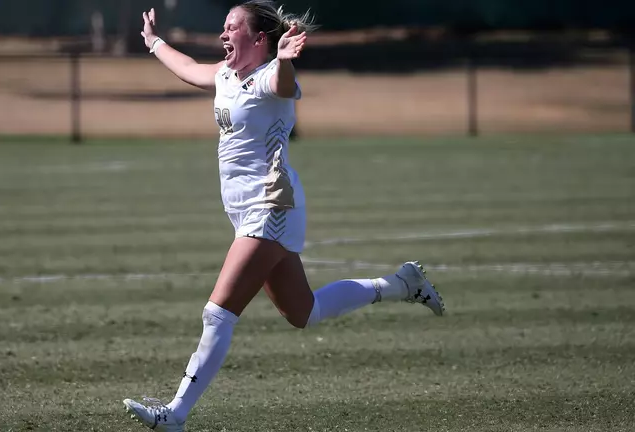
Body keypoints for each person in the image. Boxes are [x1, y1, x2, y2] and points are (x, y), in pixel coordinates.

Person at [124, 1, 445, 430]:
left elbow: (281, 83)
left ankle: (175, 414)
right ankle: (402, 284)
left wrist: (285, 60)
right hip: (245, 213)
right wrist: (153, 41)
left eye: (232, 28)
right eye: (223, 27)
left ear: (259, 39)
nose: (222, 34)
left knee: (218, 313)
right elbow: (188, 68)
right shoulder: (225, 75)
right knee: (304, 313)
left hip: (269, 208)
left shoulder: (268, 78)